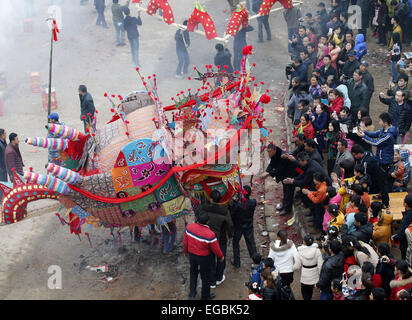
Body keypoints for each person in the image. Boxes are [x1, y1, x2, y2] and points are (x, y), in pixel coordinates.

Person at [357, 112, 398, 208]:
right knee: (380, 180)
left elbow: (376, 142)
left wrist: (363, 136)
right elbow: (375, 134)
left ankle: (386, 203)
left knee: (383, 182)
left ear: (385, 122)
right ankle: (381, 195)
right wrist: (365, 132)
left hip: (385, 161)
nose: (379, 122)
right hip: (380, 159)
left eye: (380, 121)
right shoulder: (384, 130)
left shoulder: (388, 135)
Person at [183, 211, 223, 300]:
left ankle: (192, 294)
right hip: (204, 258)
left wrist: (185, 252)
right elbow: (216, 249)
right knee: (205, 277)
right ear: (208, 222)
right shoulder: (210, 234)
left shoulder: (189, 227)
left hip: (192, 255)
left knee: (193, 273)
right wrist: (221, 257)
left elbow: (185, 242)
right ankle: (205, 296)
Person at [202, 190, 233, 288]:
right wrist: (231, 235)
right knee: (221, 258)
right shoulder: (225, 211)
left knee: (210, 260)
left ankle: (212, 281)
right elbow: (230, 225)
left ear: (211, 199)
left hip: (208, 239)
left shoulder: (205, 208)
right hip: (221, 239)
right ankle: (219, 277)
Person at [261, 143, 299, 216]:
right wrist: (266, 171)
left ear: (274, 150)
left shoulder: (282, 156)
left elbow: (279, 170)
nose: (268, 153)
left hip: (290, 174)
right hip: (284, 175)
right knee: (285, 190)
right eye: (267, 152)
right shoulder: (274, 154)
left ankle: (287, 209)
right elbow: (272, 164)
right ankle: (284, 204)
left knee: (289, 192)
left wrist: (268, 174)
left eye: (269, 151)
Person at [230, 185, 257, 267]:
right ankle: (255, 260)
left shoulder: (237, 204)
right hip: (248, 225)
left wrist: (234, 202)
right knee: (251, 243)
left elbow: (232, 214)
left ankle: (237, 262)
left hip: (238, 226)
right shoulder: (253, 202)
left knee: (235, 243)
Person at [293, 234, 323, 300]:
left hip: (305, 276)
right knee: (311, 290)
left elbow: (297, 266)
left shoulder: (300, 252)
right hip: (314, 274)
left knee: (305, 292)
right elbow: (320, 265)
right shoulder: (317, 250)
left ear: (304, 242)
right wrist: (320, 276)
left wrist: (291, 268)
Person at [393, 194, 412, 259]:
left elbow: (402, 233)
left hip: (406, 244)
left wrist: (395, 238)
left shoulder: (406, 217)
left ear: (406, 204)